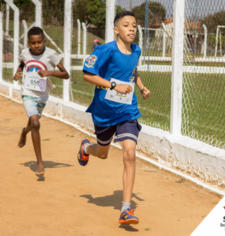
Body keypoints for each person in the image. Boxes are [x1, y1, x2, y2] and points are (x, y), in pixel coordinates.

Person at [76, 11, 151, 224]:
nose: (132, 29)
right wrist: (113, 85)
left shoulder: (136, 50)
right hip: (104, 111)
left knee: (129, 153)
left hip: (127, 111)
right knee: (102, 153)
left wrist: (141, 86)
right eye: (126, 25)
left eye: (134, 25)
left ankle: (126, 209)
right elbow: (87, 75)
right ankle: (85, 148)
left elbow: (132, 71)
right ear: (116, 30)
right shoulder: (104, 50)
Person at [13, 27, 69, 175]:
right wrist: (18, 72)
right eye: (33, 43)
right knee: (36, 123)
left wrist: (49, 72)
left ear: (44, 41)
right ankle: (40, 162)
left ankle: (24, 133)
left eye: (39, 42)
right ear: (28, 43)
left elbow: (66, 74)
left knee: (33, 122)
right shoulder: (25, 53)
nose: (36, 45)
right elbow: (23, 62)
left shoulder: (51, 55)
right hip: (28, 92)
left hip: (42, 95)